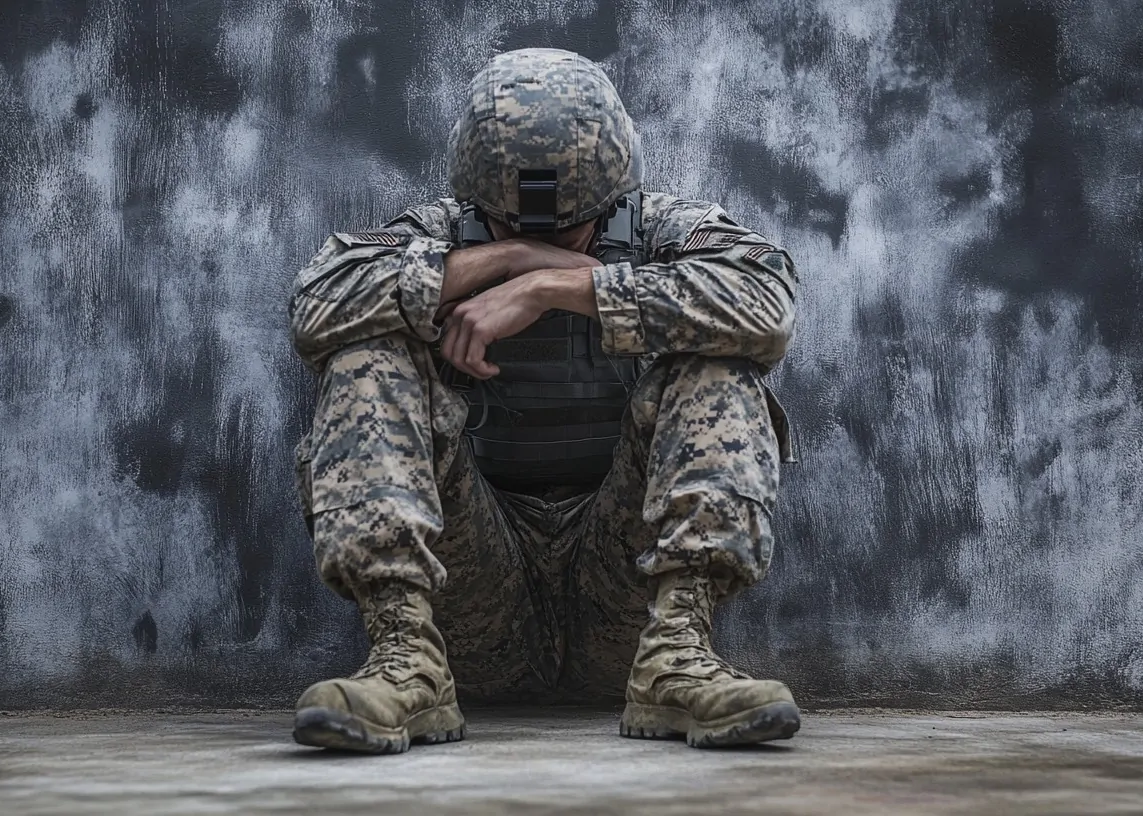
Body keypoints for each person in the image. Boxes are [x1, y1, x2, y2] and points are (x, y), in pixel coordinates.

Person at [288, 47, 799, 753]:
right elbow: (316, 306)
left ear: (611, 199)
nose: (538, 238)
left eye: (565, 230)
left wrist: (559, 287)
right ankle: (405, 664)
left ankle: (679, 661)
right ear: (476, 203)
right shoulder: (435, 233)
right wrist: (503, 262)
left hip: (626, 605)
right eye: (511, 227)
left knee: (720, 361)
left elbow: (765, 307)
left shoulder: (661, 230)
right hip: (470, 604)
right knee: (365, 351)